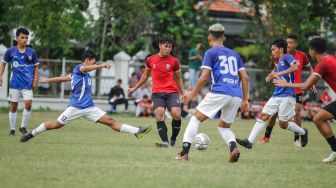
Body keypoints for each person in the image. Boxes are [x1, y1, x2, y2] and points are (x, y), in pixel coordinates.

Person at [20, 50, 151, 143]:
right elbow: (85, 69)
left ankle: (136, 131)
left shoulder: (80, 74)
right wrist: (102, 65)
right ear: (87, 60)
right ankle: (32, 133)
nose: (93, 64)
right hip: (75, 107)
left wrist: (46, 80)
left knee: (110, 121)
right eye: (92, 62)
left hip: (89, 107)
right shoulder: (80, 68)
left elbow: (64, 78)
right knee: (56, 125)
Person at [175, 23, 250, 162]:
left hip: (220, 91)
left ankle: (184, 153)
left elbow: (204, 77)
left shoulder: (210, 52)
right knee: (223, 126)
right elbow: (245, 77)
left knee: (195, 119)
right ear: (224, 38)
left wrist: (192, 94)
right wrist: (245, 100)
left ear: (210, 37)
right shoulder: (235, 54)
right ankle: (233, 147)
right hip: (236, 94)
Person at [236, 38, 308, 150]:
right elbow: (276, 71)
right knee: (262, 116)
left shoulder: (287, 56)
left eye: (273, 49)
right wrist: (271, 75)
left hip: (288, 95)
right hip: (276, 95)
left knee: (283, 124)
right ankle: (249, 141)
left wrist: (278, 73)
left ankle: (303, 132)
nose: (272, 52)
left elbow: (295, 67)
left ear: (280, 49)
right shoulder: (278, 61)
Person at [273, 37, 336, 163]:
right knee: (319, 118)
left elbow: (304, 86)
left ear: (312, 51)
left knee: (318, 118)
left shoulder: (322, 64)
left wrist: (285, 84)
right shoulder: (331, 58)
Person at [258, 34, 315, 146]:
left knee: (297, 114)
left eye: (291, 43)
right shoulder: (281, 56)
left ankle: (296, 138)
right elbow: (275, 70)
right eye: (287, 42)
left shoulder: (302, 55)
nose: (289, 44)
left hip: (296, 88)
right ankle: (266, 137)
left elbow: (310, 68)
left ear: (296, 44)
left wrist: (312, 82)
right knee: (273, 114)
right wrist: (270, 75)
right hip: (282, 88)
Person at [128, 36, 185, 148]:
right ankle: (165, 142)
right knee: (159, 115)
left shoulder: (175, 61)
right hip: (157, 93)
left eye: (170, 47)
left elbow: (178, 78)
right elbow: (145, 76)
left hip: (172, 92)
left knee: (176, 114)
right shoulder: (150, 60)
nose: (168, 49)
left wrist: (183, 93)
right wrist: (135, 88)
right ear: (160, 45)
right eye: (166, 46)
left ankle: (173, 138)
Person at [0, 28, 39, 135]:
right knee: (13, 106)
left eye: (26, 37)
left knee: (28, 104)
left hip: (27, 84)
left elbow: (36, 67)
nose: (25, 40)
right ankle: (12, 129)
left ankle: (23, 127)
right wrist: (0, 76)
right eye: (22, 37)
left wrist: (36, 79)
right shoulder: (10, 51)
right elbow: (3, 63)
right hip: (15, 84)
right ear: (17, 38)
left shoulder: (32, 52)